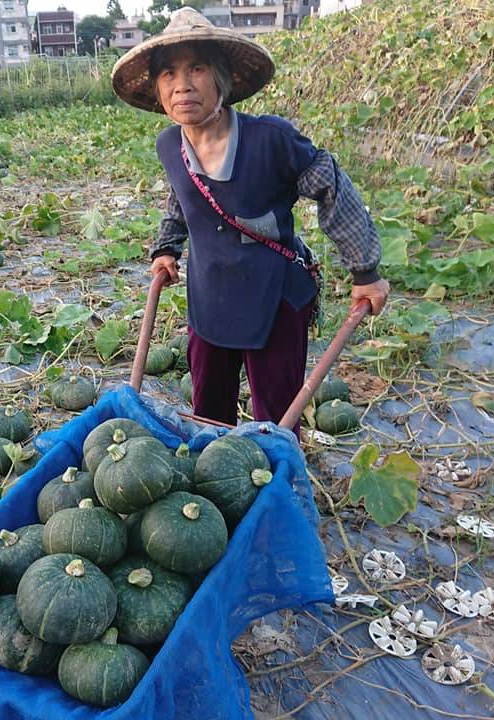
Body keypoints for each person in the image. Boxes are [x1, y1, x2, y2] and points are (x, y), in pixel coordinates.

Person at [111, 7, 389, 429]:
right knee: (208, 410)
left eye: (197, 69)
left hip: (273, 297)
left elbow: (330, 184)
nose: (182, 85)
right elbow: (180, 197)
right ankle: (216, 478)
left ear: (221, 78)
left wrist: (364, 270)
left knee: (275, 418)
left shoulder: (270, 139)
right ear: (157, 88)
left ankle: (278, 479)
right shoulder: (169, 145)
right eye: (168, 74)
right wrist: (167, 247)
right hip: (209, 298)